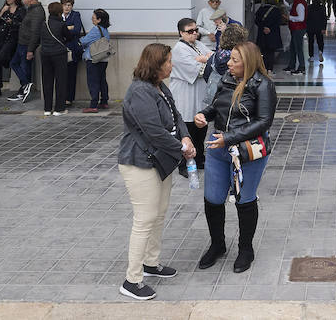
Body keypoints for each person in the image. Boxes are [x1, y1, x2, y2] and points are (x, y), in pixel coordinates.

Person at [117, 43, 195, 301]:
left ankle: (151, 263)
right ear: (156, 65)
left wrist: (187, 139)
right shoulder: (140, 91)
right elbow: (153, 130)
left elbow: (177, 117)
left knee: (159, 214)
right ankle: (132, 279)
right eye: (168, 61)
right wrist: (181, 148)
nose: (172, 65)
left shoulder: (160, 87)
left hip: (159, 160)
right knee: (145, 218)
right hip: (139, 161)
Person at [195, 40, 277, 274]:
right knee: (212, 199)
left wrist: (229, 139)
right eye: (229, 58)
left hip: (248, 152)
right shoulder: (226, 79)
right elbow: (215, 107)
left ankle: (245, 249)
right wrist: (203, 115)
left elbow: (264, 122)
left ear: (248, 62)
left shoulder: (263, 85)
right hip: (218, 147)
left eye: (234, 60)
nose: (228, 63)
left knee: (245, 199)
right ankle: (218, 245)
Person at [170, 18, 213, 169]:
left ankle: (200, 158)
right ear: (181, 33)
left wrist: (202, 59)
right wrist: (204, 60)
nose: (194, 33)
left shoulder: (198, 44)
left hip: (199, 94)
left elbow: (212, 58)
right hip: (185, 95)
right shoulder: (178, 50)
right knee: (188, 131)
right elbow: (200, 70)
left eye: (196, 30)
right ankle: (186, 164)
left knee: (201, 129)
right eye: (190, 31)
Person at [34, 1, 75, 116]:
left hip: (45, 54)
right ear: (59, 12)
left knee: (47, 81)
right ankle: (59, 108)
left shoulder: (43, 24)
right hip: (59, 54)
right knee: (60, 81)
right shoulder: (61, 24)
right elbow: (69, 37)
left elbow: (38, 37)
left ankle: (47, 109)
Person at [201, 23, 250, 111]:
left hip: (217, 97)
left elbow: (206, 74)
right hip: (237, 97)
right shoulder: (242, 57)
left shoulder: (216, 55)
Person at [0, 0, 26, 99]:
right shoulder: (4, 8)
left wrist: (12, 22)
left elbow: (24, 24)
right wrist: (1, 13)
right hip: (1, 38)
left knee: (1, 58)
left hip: (13, 38)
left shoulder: (21, 10)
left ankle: (7, 63)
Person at [15, 0, 46, 104]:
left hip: (27, 44)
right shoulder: (31, 9)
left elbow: (35, 32)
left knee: (25, 67)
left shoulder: (37, 11)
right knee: (14, 63)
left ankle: (25, 88)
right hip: (22, 43)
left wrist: (30, 50)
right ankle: (25, 86)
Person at [81, 8, 113, 112]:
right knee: (102, 80)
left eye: (93, 17)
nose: (91, 19)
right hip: (103, 59)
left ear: (99, 20)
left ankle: (93, 105)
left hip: (93, 59)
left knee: (93, 82)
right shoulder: (105, 30)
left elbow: (84, 41)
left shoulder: (96, 29)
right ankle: (104, 102)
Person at [60, 0, 86, 107]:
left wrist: (65, 28)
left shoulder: (76, 15)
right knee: (61, 74)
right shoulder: (57, 15)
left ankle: (69, 98)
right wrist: (68, 27)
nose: (67, 7)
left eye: (69, 5)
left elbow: (76, 29)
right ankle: (61, 97)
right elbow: (56, 29)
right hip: (60, 48)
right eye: (65, 5)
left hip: (72, 48)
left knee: (71, 74)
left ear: (72, 6)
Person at [251, 0, 285, 72]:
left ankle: (263, 67)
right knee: (271, 52)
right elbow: (279, 21)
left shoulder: (261, 9)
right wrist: (270, 28)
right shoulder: (277, 10)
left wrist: (263, 27)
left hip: (262, 34)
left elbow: (256, 20)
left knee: (263, 51)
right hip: (272, 34)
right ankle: (270, 68)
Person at [285, 0, 308, 75]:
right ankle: (291, 65)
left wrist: (290, 18)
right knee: (293, 47)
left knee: (298, 48)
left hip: (299, 28)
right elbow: (290, 8)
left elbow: (301, 18)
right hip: (295, 28)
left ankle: (301, 67)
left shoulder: (300, 4)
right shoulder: (297, 3)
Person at [305, 0, 328, 65]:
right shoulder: (322, 8)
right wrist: (324, 28)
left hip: (311, 27)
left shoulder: (309, 7)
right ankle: (320, 51)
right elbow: (324, 18)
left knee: (311, 41)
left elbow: (306, 18)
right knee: (320, 40)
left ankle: (311, 56)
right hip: (319, 27)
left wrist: (306, 28)